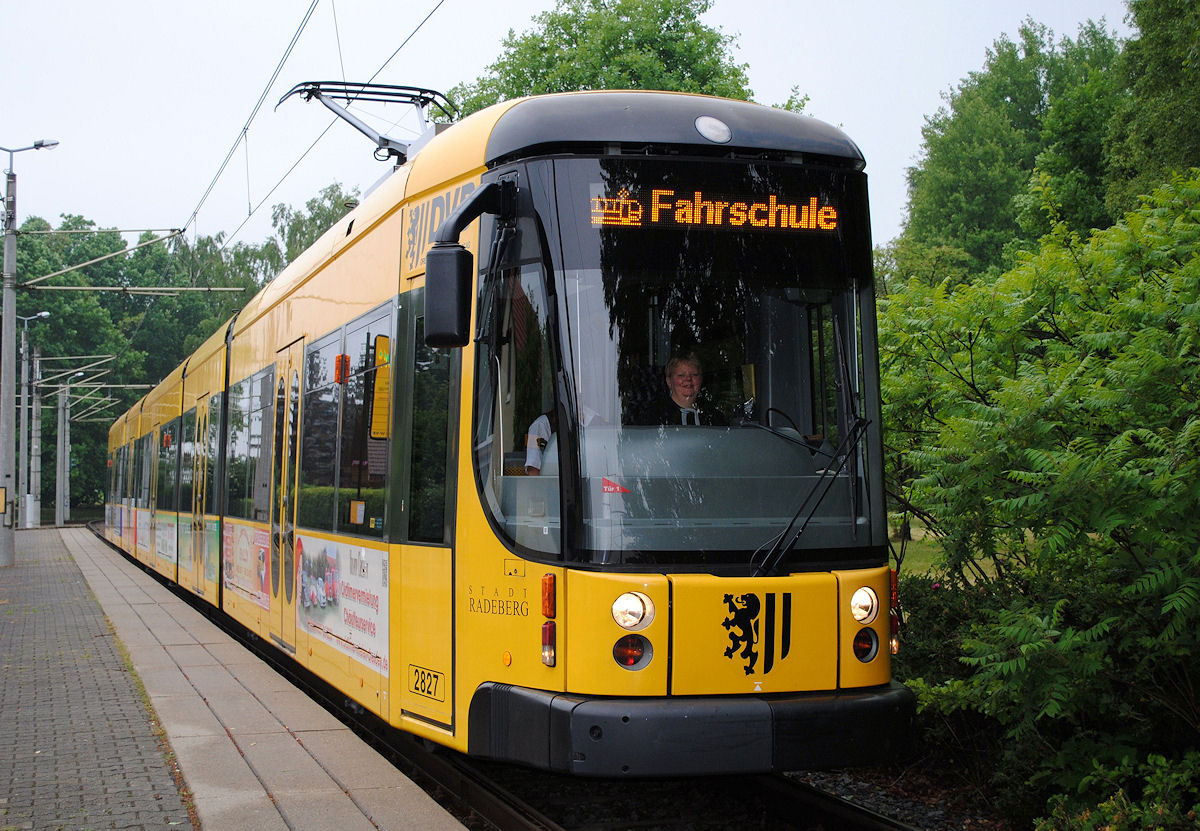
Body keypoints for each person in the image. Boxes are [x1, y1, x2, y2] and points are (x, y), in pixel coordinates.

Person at [637, 354, 727, 426]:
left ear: (701, 380)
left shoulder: (715, 418)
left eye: (694, 375)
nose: (688, 379)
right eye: (681, 375)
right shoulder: (654, 416)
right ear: (669, 381)